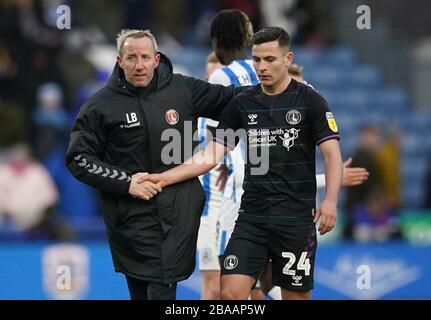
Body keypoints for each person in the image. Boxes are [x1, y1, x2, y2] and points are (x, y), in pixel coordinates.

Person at [141, 27, 343, 300]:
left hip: (295, 222)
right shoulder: (242, 103)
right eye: (257, 59)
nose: (262, 66)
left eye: (270, 59)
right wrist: (164, 178)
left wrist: (330, 201)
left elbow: (332, 155)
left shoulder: (310, 101)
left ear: (287, 58)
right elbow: (210, 155)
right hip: (252, 220)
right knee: (230, 295)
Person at [66, 29, 241, 300]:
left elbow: (234, 100)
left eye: (145, 57)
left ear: (157, 59)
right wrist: (127, 183)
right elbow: (78, 158)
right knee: (141, 292)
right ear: (119, 61)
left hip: (177, 215)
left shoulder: (183, 89)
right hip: (129, 220)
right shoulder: (99, 105)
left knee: (161, 287)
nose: (139, 65)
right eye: (131, 57)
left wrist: (284, 92)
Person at [196, 9, 257, 300]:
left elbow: (213, 143)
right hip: (271, 186)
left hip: (234, 189)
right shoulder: (263, 71)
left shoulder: (222, 76)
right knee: (261, 284)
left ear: (216, 42)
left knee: (226, 284)